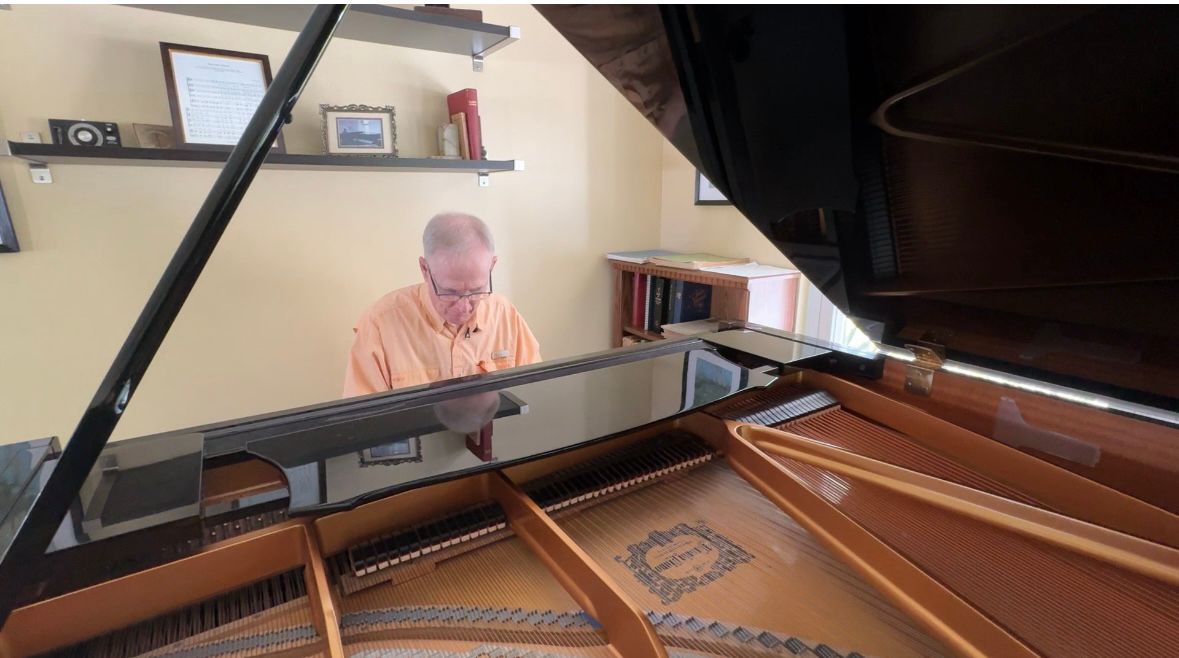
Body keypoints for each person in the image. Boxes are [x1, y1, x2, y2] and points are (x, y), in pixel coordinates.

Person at [343, 212, 541, 397]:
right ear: (424, 269)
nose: (464, 308)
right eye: (450, 292)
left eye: (476, 291)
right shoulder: (379, 325)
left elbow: (535, 394)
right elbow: (365, 417)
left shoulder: (504, 314)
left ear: (492, 266)